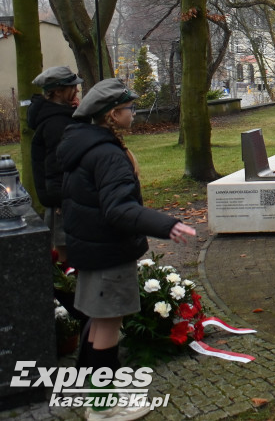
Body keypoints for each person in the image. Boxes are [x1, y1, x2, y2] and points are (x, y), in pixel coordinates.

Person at [57, 79, 196, 420]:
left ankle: (98, 394)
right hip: (108, 253)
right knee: (106, 326)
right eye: (128, 108)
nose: (133, 113)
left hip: (90, 250)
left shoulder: (81, 145)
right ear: (112, 115)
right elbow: (117, 209)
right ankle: (104, 407)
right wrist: (167, 224)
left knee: (99, 324)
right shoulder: (107, 155)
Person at [28, 66, 83, 261]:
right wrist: (61, 199)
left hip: (65, 195)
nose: (76, 90)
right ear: (58, 91)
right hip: (63, 198)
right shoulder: (55, 123)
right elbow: (55, 165)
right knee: (66, 256)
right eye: (71, 87)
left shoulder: (61, 116)